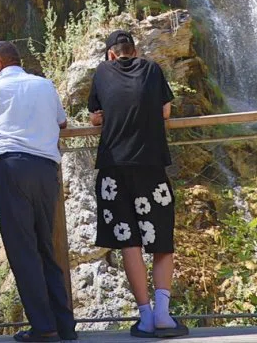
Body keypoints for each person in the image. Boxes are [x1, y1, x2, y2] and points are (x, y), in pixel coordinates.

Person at [88, 30, 186, 339]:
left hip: (113, 169)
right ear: (135, 50)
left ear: (111, 54)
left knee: (129, 241)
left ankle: (144, 318)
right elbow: (165, 110)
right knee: (161, 239)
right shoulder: (152, 68)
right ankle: (163, 315)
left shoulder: (102, 72)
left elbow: (95, 118)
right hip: (150, 166)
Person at [0, 42, 76, 342]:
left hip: (12, 169)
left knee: (23, 250)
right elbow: (62, 122)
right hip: (46, 170)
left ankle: (44, 327)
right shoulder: (45, 84)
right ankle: (65, 326)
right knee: (46, 246)